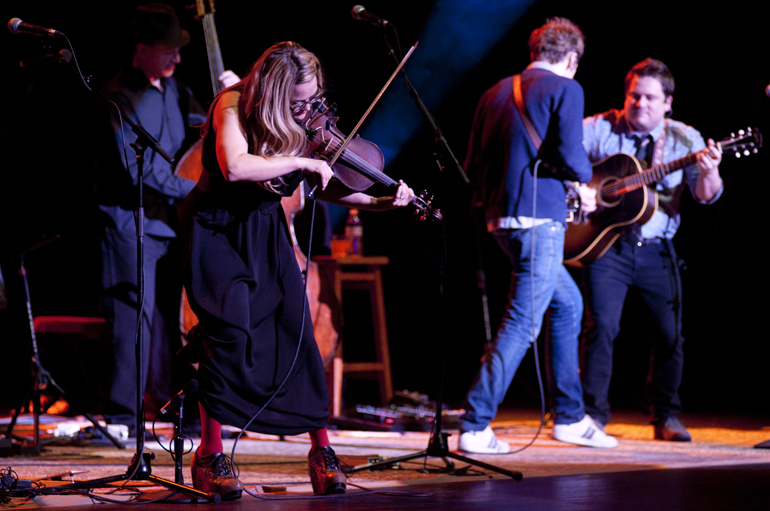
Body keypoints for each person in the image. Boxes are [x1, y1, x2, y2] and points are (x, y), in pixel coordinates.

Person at [179, 41, 415, 499]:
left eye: (311, 101)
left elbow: (326, 185)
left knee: (297, 335)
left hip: (265, 230)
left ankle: (320, 450)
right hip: (219, 232)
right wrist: (304, 159)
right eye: (297, 103)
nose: (307, 112)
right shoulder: (232, 104)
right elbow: (235, 165)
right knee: (228, 336)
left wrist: (382, 201)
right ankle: (209, 456)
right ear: (272, 91)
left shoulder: (305, 122)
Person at [458, 17, 617, 454]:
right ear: (571, 58)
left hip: (500, 221)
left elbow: (471, 164)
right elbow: (571, 157)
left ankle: (568, 416)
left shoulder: (493, 92)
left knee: (568, 304)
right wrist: (583, 185)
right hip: (539, 223)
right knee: (523, 321)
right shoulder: (566, 89)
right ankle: (475, 423)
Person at [95, 3, 239, 433]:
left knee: (167, 323)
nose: (177, 58)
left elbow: (208, 126)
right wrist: (197, 192)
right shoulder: (118, 95)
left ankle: (166, 405)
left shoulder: (175, 90)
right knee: (131, 319)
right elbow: (140, 169)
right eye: (168, 50)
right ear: (142, 50)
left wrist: (236, 96)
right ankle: (122, 416)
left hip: (171, 225)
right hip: (129, 224)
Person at [580, 58, 723, 441]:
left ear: (667, 103)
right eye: (633, 96)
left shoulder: (685, 138)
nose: (639, 104)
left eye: (649, 98)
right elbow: (562, 159)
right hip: (605, 245)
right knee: (601, 327)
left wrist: (710, 170)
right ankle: (591, 416)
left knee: (669, 334)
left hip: (657, 249)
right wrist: (582, 192)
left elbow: (706, 197)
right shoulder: (599, 127)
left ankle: (666, 416)